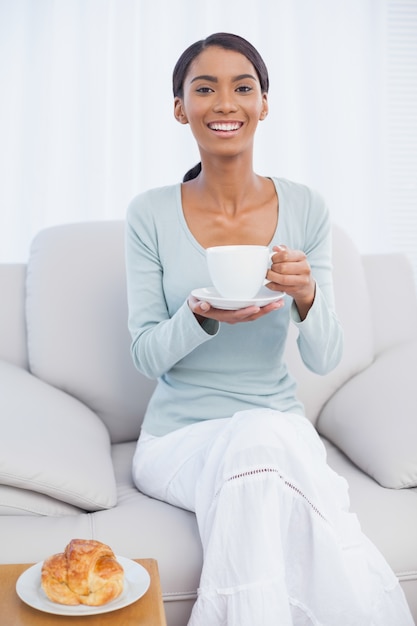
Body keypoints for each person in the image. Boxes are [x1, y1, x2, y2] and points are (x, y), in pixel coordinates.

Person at [125, 32, 413, 626]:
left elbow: (327, 355)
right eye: (204, 89)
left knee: (258, 442)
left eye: (242, 87)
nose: (225, 103)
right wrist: (199, 316)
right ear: (181, 108)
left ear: (264, 104)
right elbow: (144, 356)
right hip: (178, 440)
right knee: (257, 446)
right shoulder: (149, 213)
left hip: (278, 429)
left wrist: (306, 294)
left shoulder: (306, 208)